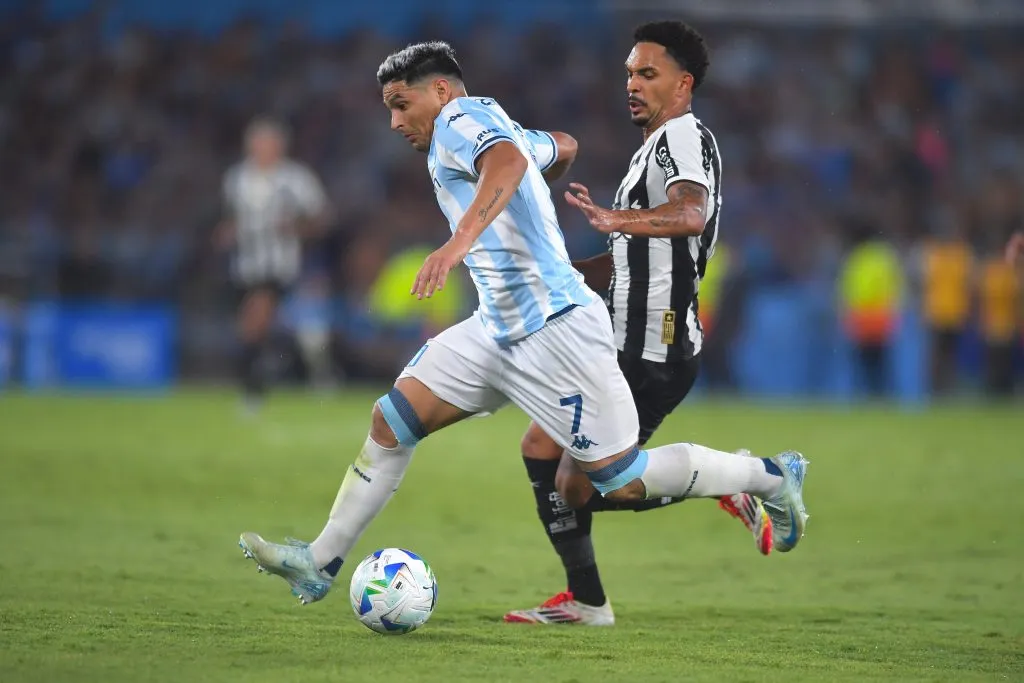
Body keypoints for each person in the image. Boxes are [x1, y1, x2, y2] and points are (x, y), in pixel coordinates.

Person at [237, 41, 809, 607]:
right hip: (497, 326)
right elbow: (559, 146)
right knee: (393, 420)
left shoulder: (459, 119)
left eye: (400, 104)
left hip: (557, 327)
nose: (393, 122)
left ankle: (766, 477)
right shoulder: (485, 122)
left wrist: (459, 242)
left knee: (621, 479)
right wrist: (534, 176)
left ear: (439, 92)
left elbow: (509, 161)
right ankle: (319, 563)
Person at [505, 21, 772, 627]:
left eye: (646, 74)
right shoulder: (652, 146)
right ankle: (587, 600)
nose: (632, 83)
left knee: (584, 485)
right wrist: (559, 272)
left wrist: (615, 216)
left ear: (683, 84)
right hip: (620, 337)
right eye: (628, 72)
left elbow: (691, 213)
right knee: (541, 448)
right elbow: (632, 255)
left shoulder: (682, 137)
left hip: (656, 344)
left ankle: (738, 476)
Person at [216, 118, 331, 412]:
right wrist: (227, 232)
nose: (263, 149)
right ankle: (309, 368)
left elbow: (323, 218)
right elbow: (231, 217)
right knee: (257, 328)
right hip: (244, 266)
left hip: (281, 265)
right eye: (258, 143)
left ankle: (252, 393)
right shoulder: (237, 178)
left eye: (269, 143)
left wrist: (296, 229)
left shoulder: (296, 179)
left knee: (255, 320)